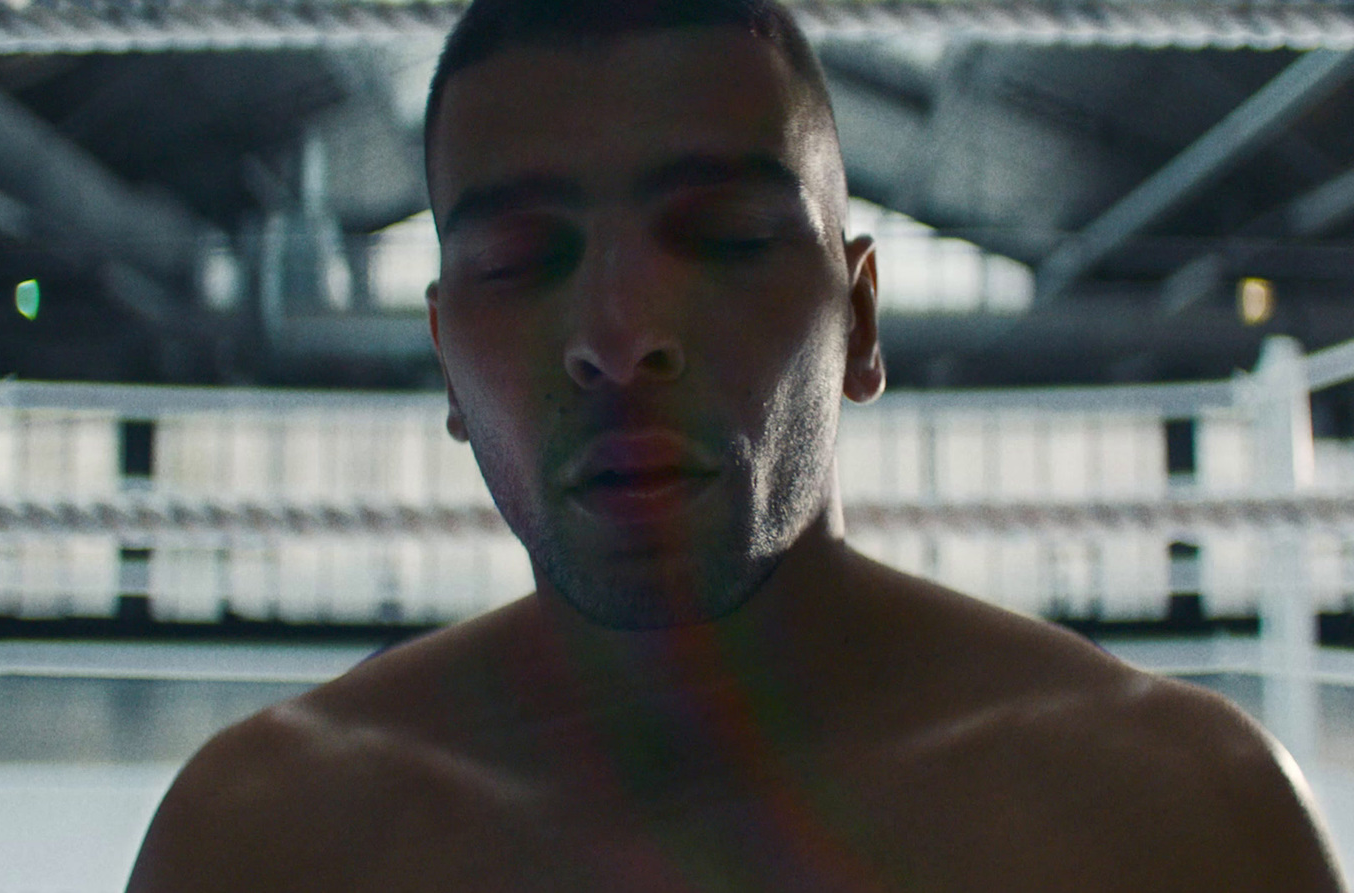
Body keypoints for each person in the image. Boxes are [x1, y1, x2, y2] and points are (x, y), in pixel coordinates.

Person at [127, 1, 1346, 889]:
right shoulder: (260, 838)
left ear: (859, 319)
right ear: (446, 355)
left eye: (723, 236)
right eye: (518, 259)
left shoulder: (1176, 819)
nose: (618, 335)